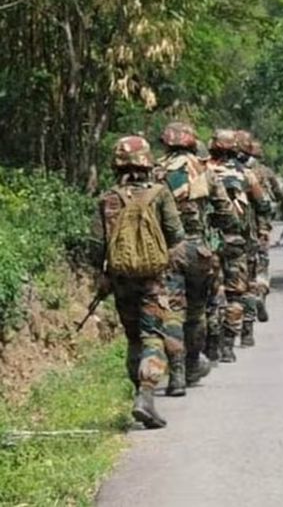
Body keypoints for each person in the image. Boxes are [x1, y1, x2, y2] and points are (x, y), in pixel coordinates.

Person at [91, 135, 185, 428]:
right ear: (146, 161)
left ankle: (138, 393)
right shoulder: (159, 193)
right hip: (152, 280)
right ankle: (146, 394)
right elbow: (176, 235)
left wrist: (104, 278)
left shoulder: (107, 197)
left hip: (120, 280)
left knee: (133, 338)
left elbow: (98, 245)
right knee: (152, 337)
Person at [157, 122, 240, 396]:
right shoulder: (205, 170)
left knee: (171, 313)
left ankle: (176, 375)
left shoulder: (156, 171)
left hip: (168, 252)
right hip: (200, 251)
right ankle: (192, 364)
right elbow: (226, 212)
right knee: (196, 311)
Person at [206, 129, 271, 358]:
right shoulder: (246, 173)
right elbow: (264, 205)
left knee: (211, 293)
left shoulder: (202, 171)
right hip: (238, 241)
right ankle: (231, 343)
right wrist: (262, 227)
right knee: (238, 292)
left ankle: (212, 343)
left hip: (207, 243)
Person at [243, 139, 282, 322]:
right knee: (260, 264)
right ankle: (259, 294)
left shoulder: (218, 169)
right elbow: (277, 195)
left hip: (230, 230)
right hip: (258, 227)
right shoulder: (264, 171)